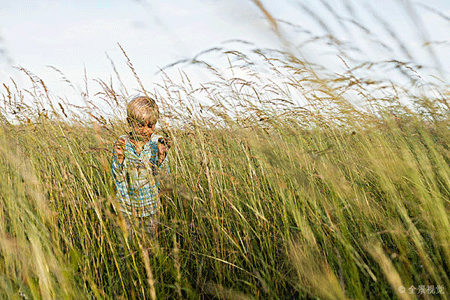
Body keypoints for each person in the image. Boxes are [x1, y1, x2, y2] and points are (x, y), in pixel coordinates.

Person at [111, 95, 169, 239]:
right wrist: (119, 157)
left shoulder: (156, 143)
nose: (145, 130)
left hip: (150, 206)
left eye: (151, 126)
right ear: (130, 122)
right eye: (140, 125)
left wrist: (161, 158)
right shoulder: (122, 143)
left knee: (150, 243)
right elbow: (117, 177)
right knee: (125, 244)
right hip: (126, 207)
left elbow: (162, 178)